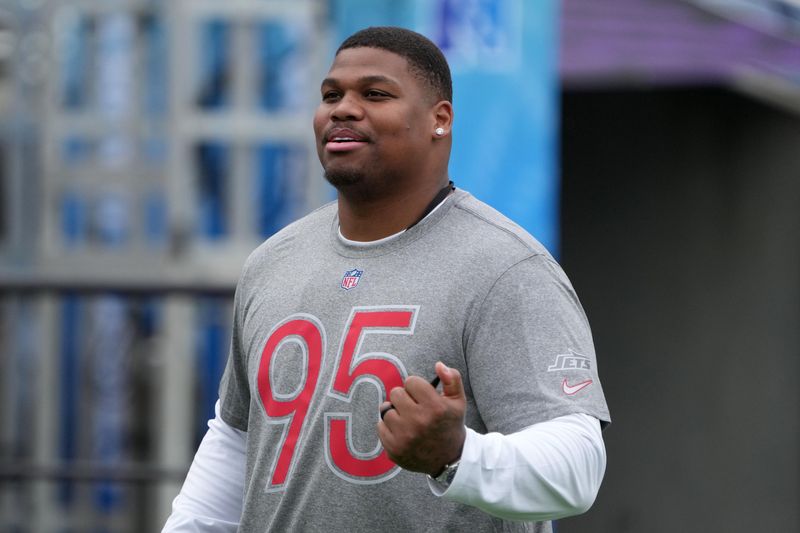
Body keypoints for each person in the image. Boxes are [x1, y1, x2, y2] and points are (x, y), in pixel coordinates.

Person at [163, 26, 610, 533]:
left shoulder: (505, 268)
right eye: (331, 95)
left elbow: (578, 468)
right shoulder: (273, 260)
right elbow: (237, 439)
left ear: (439, 120)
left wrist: (457, 454)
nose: (343, 109)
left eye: (374, 94)